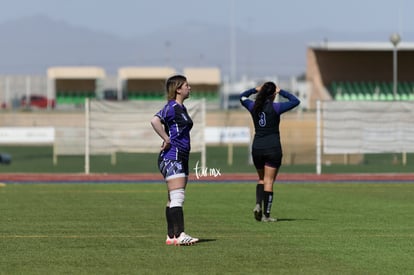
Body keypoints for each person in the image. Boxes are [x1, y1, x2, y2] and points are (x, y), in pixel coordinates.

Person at [239, 82, 300, 222]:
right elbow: (295, 101)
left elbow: (242, 97)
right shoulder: (276, 107)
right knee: (269, 181)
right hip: (273, 148)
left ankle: (257, 204)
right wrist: (282, 91)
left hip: (257, 148)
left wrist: (254, 89)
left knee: (261, 179)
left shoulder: (253, 106)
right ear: (273, 94)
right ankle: (266, 215)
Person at [150, 75, 199, 245]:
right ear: (178, 89)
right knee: (178, 197)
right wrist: (166, 138)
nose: (189, 87)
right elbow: (155, 120)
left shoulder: (181, 108)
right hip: (173, 156)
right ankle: (180, 235)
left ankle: (171, 236)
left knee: (173, 198)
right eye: (187, 85)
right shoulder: (171, 107)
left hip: (181, 156)